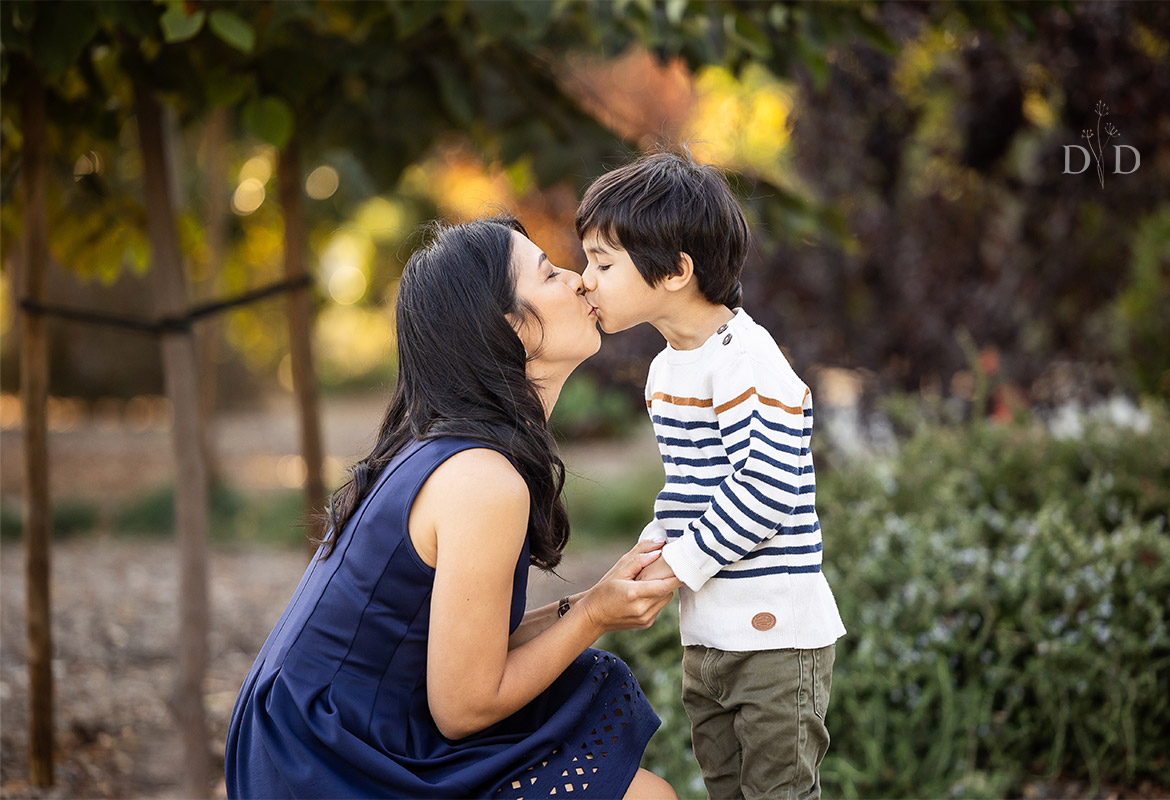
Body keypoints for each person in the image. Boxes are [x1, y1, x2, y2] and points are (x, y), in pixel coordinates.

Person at [224, 217, 682, 799]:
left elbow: (464, 648)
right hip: (328, 764)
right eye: (549, 274)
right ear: (505, 326)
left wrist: (596, 599)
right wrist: (592, 617)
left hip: (322, 739)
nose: (578, 280)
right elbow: (465, 707)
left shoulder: (457, 452)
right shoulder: (481, 479)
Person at [575, 151, 846, 800]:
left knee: (778, 792)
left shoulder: (747, 361)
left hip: (775, 637)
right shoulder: (668, 371)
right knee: (725, 786)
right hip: (711, 637)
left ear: (674, 271)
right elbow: (690, 492)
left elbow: (767, 490)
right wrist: (646, 554)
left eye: (603, 263)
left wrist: (678, 566)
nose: (585, 280)